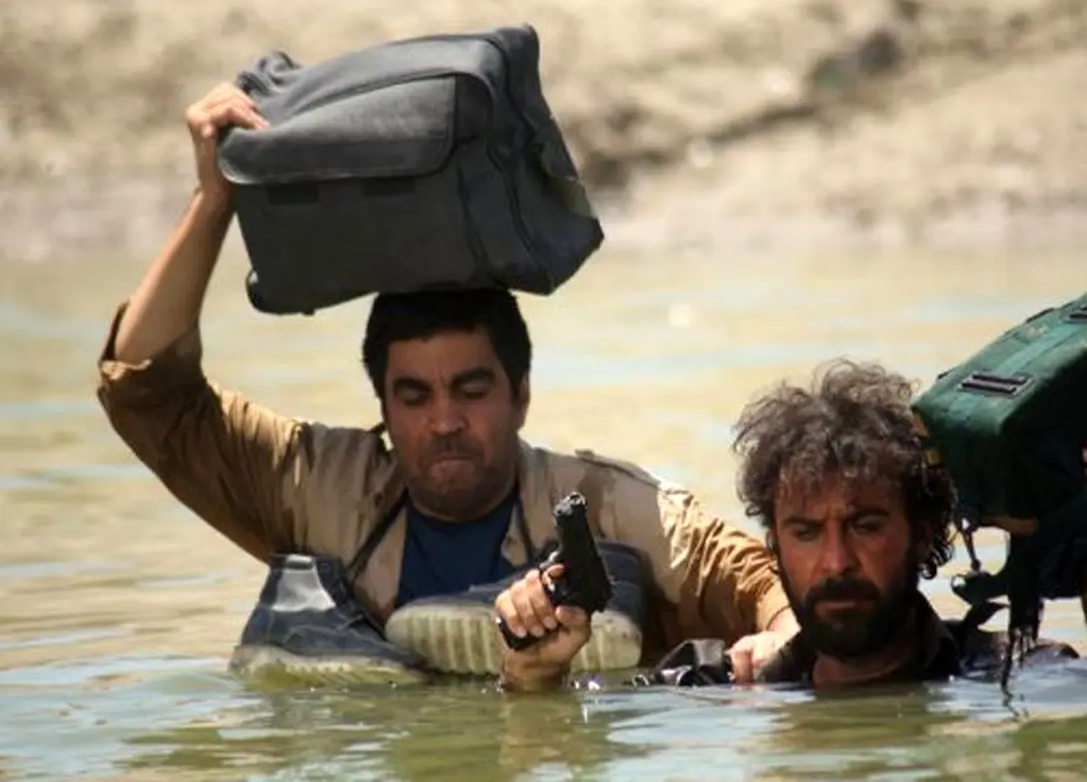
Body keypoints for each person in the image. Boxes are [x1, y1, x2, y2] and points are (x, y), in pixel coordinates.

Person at [95, 82, 797, 680]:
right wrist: (213, 200)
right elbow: (149, 397)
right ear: (382, 405)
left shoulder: (603, 504)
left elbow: (757, 577)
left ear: (522, 395)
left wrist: (780, 639)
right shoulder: (323, 488)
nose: (444, 421)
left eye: (471, 390)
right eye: (414, 397)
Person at [496, 360, 1087, 692]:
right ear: (774, 545)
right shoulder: (710, 684)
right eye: (805, 532)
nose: (835, 562)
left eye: (865, 525)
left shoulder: (1009, 673)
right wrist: (533, 675)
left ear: (923, 533)